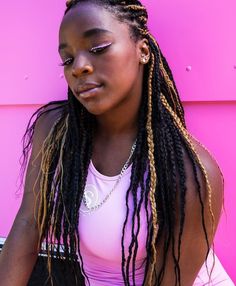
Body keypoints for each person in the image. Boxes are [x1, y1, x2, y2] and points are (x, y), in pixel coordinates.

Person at [0, 0, 233, 285]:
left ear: (143, 51)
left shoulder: (189, 171)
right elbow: (29, 224)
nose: (80, 67)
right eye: (68, 59)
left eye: (98, 48)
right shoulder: (55, 130)